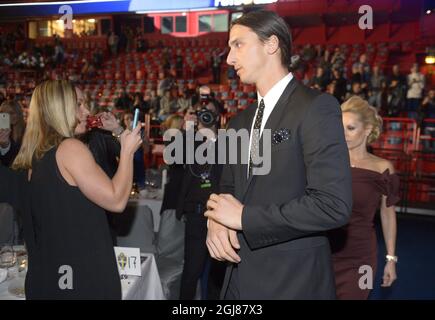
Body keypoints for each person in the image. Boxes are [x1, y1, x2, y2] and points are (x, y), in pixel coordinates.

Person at [203, 10, 352, 299]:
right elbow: (228, 188)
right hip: (236, 281)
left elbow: (333, 204)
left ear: (271, 44)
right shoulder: (239, 121)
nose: (229, 59)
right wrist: (216, 219)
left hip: (291, 282)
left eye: (238, 45)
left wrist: (245, 218)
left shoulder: (316, 108)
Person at [0, 80, 142, 299]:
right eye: (79, 104)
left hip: (48, 278)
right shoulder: (70, 148)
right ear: (60, 108)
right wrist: (127, 152)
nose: (86, 111)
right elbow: (116, 200)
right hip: (82, 280)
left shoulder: (31, 155)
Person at [329, 96, 399, 299]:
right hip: (323, 253)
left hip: (362, 256)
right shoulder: (326, 163)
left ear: (367, 129)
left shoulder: (383, 168)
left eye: (350, 128)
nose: (343, 134)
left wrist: (391, 259)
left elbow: (388, 215)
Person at [176, 103, 225, 300]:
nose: (206, 116)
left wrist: (212, 138)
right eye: (202, 113)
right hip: (196, 215)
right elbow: (175, 158)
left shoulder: (227, 142)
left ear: (218, 117)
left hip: (221, 216)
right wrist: (187, 128)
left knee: (218, 275)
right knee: (191, 272)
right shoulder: (189, 142)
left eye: (210, 113)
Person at [0, 100, 25, 167]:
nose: (8, 116)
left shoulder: (27, 132)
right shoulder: (1, 132)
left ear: (19, 114)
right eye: (4, 114)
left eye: (11, 113)